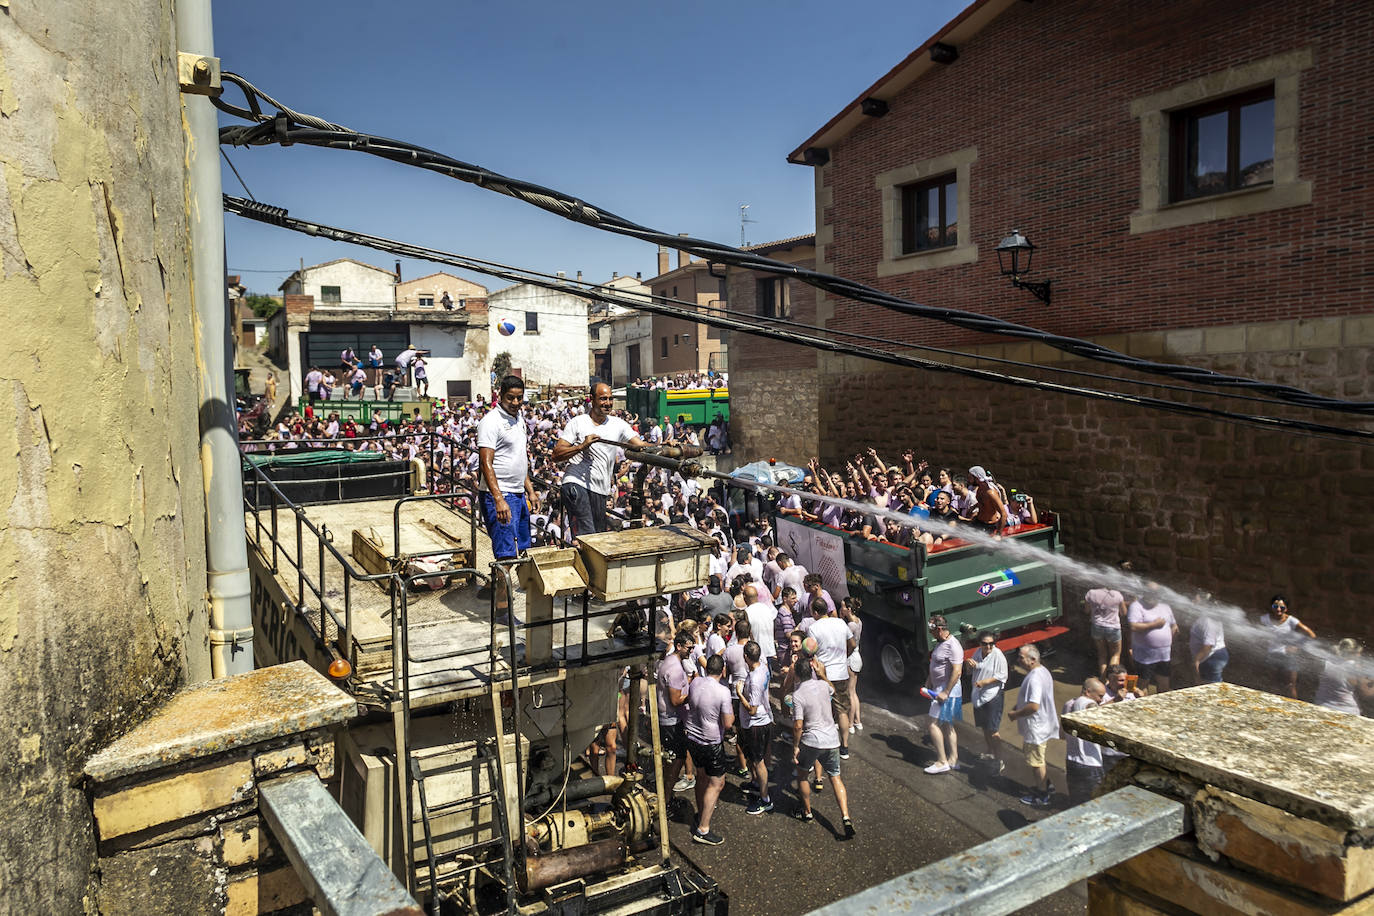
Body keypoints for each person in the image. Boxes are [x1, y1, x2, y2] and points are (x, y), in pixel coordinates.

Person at [552, 382, 649, 536]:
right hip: (576, 482)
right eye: (603, 399)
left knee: (598, 535)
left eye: (610, 399)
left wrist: (664, 445)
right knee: (588, 534)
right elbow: (556, 454)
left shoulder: (618, 424)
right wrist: (581, 446)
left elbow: (641, 446)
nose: (608, 403)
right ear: (592, 399)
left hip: (600, 488)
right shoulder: (578, 422)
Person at [476, 376, 539, 565]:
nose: (515, 402)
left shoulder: (519, 419)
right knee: (506, 555)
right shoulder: (490, 422)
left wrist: (530, 491)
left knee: (521, 548)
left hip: (518, 493)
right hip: (500, 493)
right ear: (500, 396)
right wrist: (499, 499)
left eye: (519, 398)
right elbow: (485, 463)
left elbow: (519, 459)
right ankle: (501, 594)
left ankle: (499, 588)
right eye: (510, 398)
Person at [790, 655, 855, 837]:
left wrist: (796, 746)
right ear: (812, 671)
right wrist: (823, 674)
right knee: (836, 778)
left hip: (811, 741)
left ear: (797, 673)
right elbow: (833, 690)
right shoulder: (823, 685)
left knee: (802, 775)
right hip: (831, 740)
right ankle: (845, 817)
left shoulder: (798, 695)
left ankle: (807, 811)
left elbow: (798, 726)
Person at [684, 654, 734, 845]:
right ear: (722, 671)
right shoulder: (722, 692)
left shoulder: (696, 683)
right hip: (710, 742)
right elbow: (728, 724)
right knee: (717, 783)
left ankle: (700, 814)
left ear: (706, 669)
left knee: (701, 776)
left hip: (692, 737)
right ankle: (703, 829)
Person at [1009, 643, 1059, 807]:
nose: (1018, 660)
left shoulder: (1035, 679)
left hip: (1036, 728)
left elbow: (1034, 706)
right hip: (1042, 725)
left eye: (1021, 657)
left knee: (1036, 762)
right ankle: (1046, 785)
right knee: (1039, 759)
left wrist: (1016, 714)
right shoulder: (1042, 671)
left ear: (1032, 659)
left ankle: (1042, 794)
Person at [809, 597, 857, 760]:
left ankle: (824, 746)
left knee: (823, 712)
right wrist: (845, 656)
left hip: (823, 674)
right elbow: (852, 644)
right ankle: (844, 747)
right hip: (841, 673)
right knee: (842, 711)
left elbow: (810, 651)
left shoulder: (813, 628)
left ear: (815, 612)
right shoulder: (840, 623)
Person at [737, 640, 774, 815]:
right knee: (754, 757)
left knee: (759, 762)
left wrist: (739, 693)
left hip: (757, 723)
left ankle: (765, 799)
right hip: (760, 721)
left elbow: (752, 709)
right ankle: (756, 783)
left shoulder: (756, 680)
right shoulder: (763, 667)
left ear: (746, 657)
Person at [923, 615, 964, 774]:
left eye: (932, 631)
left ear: (939, 629)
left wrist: (946, 692)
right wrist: (929, 678)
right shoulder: (941, 643)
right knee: (947, 725)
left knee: (932, 724)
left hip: (946, 692)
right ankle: (953, 760)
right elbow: (937, 664)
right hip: (938, 688)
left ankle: (942, 761)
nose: (931, 634)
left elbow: (957, 671)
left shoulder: (953, 645)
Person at [657, 632, 695, 797]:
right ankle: (666, 796)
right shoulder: (675, 669)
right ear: (678, 646)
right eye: (689, 647)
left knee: (671, 756)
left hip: (668, 717)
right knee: (677, 758)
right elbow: (675, 700)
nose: (691, 651)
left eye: (693, 647)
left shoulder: (670, 661)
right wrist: (691, 692)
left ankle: (666, 791)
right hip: (671, 720)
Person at [1061, 678, 1107, 806]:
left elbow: (1062, 734)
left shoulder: (1068, 704)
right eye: (1100, 696)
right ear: (1088, 692)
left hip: (1072, 761)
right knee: (1095, 803)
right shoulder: (1089, 704)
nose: (1101, 700)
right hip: (1090, 764)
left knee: (1076, 801)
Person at [1260, 595, 1315, 699]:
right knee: (1271, 685)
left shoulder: (1291, 621)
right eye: (1275, 606)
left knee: (1290, 686)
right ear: (1271, 607)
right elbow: (1255, 634)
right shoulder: (1264, 619)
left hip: (1289, 657)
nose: (1279, 609)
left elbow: (1311, 634)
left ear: (1286, 609)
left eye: (1282, 607)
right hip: (1272, 656)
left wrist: (1297, 646)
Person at [967, 631, 1008, 772]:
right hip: (979, 696)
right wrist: (969, 665)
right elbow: (970, 671)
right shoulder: (977, 653)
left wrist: (985, 682)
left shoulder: (998, 655)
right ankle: (990, 753)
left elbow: (1003, 675)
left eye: (991, 643)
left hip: (993, 696)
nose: (988, 646)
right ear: (980, 644)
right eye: (985, 643)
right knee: (984, 727)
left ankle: (999, 760)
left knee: (993, 730)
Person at [1127, 584, 1177, 693]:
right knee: (1142, 685)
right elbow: (1133, 626)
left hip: (1164, 654)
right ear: (1144, 592)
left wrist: (1167, 639)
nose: (1152, 595)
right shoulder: (1136, 606)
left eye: (1155, 593)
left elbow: (1174, 625)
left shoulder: (1165, 606)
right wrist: (1154, 625)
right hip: (1144, 655)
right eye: (1149, 592)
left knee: (1164, 684)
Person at [1313, 639, 1374, 716]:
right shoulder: (1353, 667)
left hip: (1320, 707)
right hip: (1345, 711)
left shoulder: (1326, 662)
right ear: (1354, 653)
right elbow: (1366, 693)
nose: (1360, 656)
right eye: (1359, 653)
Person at [1084, 579, 1128, 678]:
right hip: (1113, 628)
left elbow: (1086, 610)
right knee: (1115, 655)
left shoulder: (1091, 593)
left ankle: (1104, 680)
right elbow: (1124, 613)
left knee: (1102, 654)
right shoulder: (1117, 595)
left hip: (1097, 626)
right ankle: (1113, 680)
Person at [1189, 597, 1228, 684]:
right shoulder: (1206, 618)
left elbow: (1209, 644)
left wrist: (1197, 660)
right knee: (1206, 685)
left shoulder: (1207, 621)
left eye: (1196, 599)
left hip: (1211, 657)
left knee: (1211, 686)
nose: (1192, 601)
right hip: (1213, 655)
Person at [742, 584, 778, 670]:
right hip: (769, 649)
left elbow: (748, 632)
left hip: (756, 652)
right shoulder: (767, 608)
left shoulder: (747, 612)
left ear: (744, 597)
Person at [967, 466, 1007, 536]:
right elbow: (983, 503)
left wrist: (998, 534)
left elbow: (1004, 514)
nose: (968, 480)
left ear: (977, 478)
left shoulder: (991, 493)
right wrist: (974, 507)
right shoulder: (980, 488)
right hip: (978, 522)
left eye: (970, 478)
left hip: (989, 526)